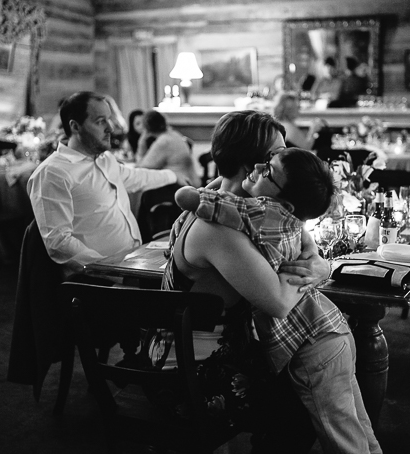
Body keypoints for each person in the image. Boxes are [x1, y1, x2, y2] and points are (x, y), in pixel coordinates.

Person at [163, 110, 380, 453]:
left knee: (326, 372)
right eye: (277, 155)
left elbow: (303, 241)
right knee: (310, 389)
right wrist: (316, 270)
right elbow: (278, 301)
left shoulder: (234, 205)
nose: (284, 159)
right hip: (194, 368)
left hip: (226, 348)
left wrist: (320, 266)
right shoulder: (218, 227)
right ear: (255, 165)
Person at [27, 91, 183, 275]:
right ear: (75, 127)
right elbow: (58, 242)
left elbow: (136, 177)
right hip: (97, 280)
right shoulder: (53, 173)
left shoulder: (104, 159)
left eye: (108, 119)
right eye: (100, 121)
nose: (110, 127)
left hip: (131, 263)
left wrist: (173, 175)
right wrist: (110, 268)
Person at [135, 110, 198, 187]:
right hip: (190, 180)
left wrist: (142, 142)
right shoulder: (174, 134)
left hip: (179, 185)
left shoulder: (163, 142)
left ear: (147, 128)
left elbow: (142, 168)